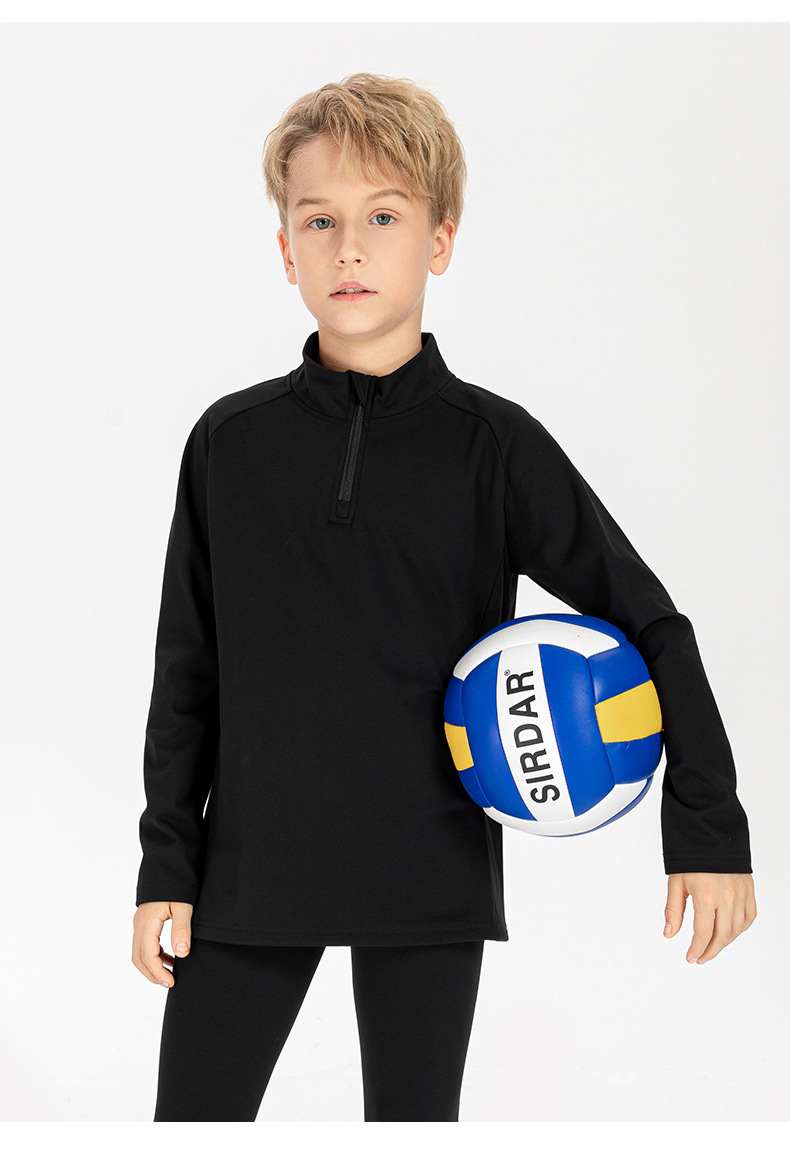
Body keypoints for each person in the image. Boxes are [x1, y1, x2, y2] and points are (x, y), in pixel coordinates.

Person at [131, 72, 756, 1123]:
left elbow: (650, 619)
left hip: (429, 872)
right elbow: (186, 673)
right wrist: (165, 864)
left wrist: (709, 830)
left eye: (384, 217)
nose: (350, 249)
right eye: (319, 221)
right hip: (246, 871)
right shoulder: (229, 443)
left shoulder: (493, 445)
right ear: (285, 250)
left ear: (441, 241)